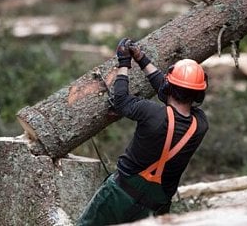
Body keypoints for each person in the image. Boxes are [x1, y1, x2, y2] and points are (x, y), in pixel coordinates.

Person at [77, 38, 209, 225]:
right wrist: (141, 59)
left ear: (169, 85)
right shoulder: (201, 124)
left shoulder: (151, 113)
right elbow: (167, 93)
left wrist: (124, 64)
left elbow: (121, 100)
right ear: (199, 94)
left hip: (119, 195)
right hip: (155, 207)